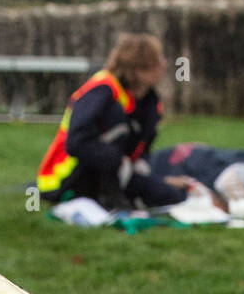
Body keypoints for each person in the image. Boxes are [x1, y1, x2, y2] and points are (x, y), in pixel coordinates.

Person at [36, 34, 189, 211]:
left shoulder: (149, 101)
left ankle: (120, 196)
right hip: (64, 178)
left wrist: (152, 178)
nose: (165, 65)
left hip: (115, 171)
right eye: (158, 61)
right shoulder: (102, 90)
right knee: (116, 119)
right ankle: (110, 199)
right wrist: (119, 161)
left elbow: (140, 150)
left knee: (171, 196)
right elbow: (77, 143)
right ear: (139, 70)